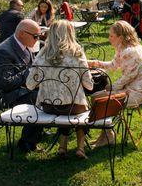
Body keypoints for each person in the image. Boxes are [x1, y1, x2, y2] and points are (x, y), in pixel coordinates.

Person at [26, 20, 93, 159]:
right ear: (69, 33)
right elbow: (89, 85)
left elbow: (30, 84)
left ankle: (63, 147)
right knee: (81, 106)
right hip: (73, 107)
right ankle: (80, 148)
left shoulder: (42, 54)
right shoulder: (77, 52)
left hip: (48, 106)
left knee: (66, 107)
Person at [88, 21, 142, 147]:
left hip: (138, 93)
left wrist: (110, 87)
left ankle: (107, 135)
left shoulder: (131, 52)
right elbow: (113, 65)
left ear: (120, 37)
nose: (109, 38)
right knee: (97, 97)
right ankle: (106, 134)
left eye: (111, 36)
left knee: (98, 98)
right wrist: (94, 63)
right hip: (131, 89)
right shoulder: (123, 48)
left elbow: (128, 77)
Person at [0, 19, 44, 153]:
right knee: (40, 98)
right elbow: (6, 83)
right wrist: (31, 70)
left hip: (18, 90)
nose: (37, 39)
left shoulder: (23, 45)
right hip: (1, 96)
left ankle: (38, 130)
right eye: (35, 36)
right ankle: (27, 142)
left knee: (48, 91)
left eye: (39, 36)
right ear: (23, 34)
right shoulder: (4, 52)